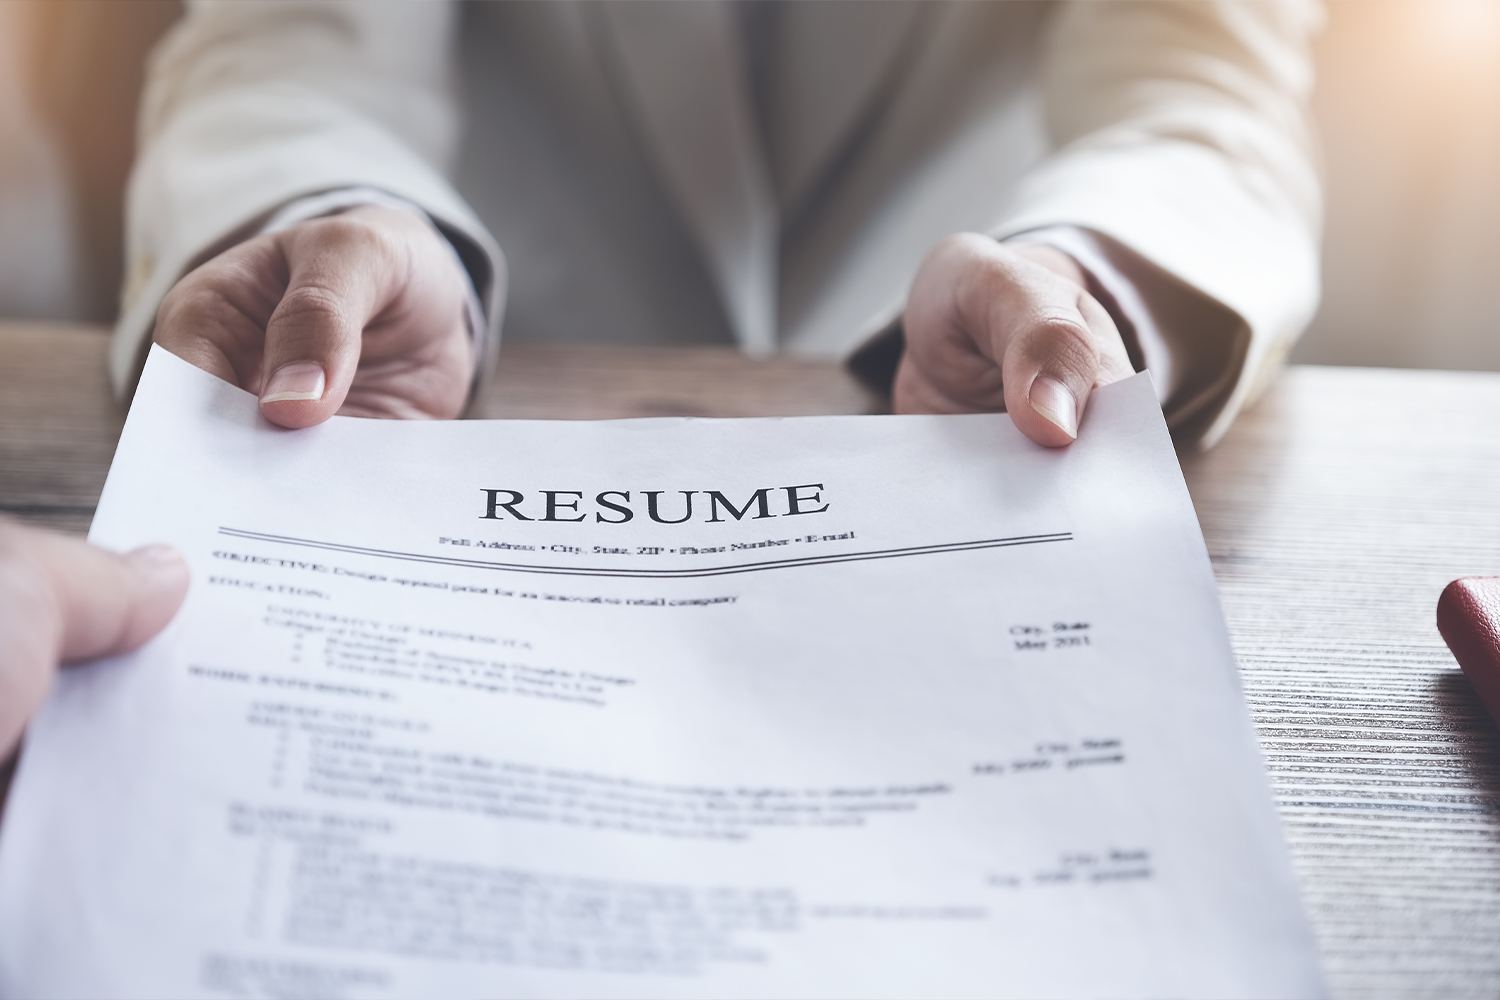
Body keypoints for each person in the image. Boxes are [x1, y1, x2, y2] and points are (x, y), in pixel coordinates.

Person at [3, 1, 1323, 752]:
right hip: (453, 387)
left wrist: (1087, 285)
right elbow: (296, 38)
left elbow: (1204, 91)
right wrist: (334, 212)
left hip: (968, 414)